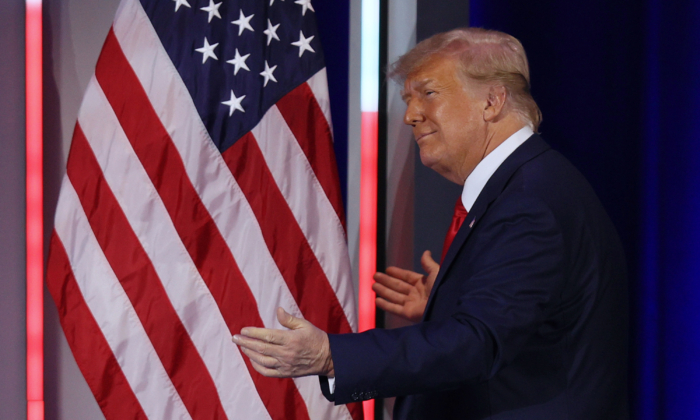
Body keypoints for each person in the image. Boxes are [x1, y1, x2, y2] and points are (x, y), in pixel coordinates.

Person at [233, 27, 628, 419]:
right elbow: (513, 331)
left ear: (492, 101)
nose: (409, 115)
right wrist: (447, 308)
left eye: (428, 93)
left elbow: (478, 343)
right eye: (407, 99)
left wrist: (331, 356)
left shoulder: (528, 201)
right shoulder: (526, 186)